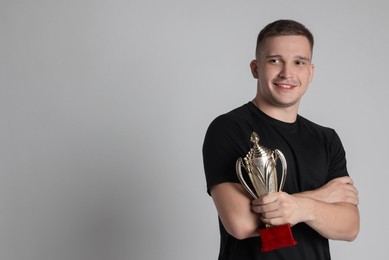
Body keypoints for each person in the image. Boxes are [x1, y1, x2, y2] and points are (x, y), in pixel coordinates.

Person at [202, 19, 360, 260]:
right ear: (256, 68)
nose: (287, 73)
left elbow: (349, 226)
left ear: (310, 72)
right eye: (275, 60)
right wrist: (322, 198)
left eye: (299, 62)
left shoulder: (326, 139)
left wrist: (299, 207)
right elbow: (241, 223)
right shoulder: (228, 128)